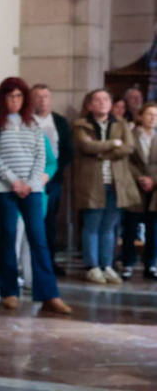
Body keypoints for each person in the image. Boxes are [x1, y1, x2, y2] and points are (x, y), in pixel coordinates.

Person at [0, 77, 71, 315]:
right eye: (11, 96)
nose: (15, 100)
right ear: (3, 98)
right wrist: (14, 181)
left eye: (19, 96)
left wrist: (30, 183)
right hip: (6, 188)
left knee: (39, 240)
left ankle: (49, 293)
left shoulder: (32, 122)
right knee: (8, 238)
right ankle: (9, 291)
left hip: (32, 189)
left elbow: (41, 155)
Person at [73, 88, 141, 285]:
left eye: (105, 99)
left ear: (111, 104)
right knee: (92, 225)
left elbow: (128, 147)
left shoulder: (120, 124)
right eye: (97, 99)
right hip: (92, 182)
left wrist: (102, 152)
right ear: (89, 105)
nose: (102, 102)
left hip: (116, 182)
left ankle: (107, 265)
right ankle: (92, 266)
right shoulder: (81, 125)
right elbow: (86, 146)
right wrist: (113, 144)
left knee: (109, 227)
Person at [29, 84, 73, 260]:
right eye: (38, 96)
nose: (42, 100)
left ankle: (50, 259)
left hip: (53, 177)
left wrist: (52, 172)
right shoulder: (26, 121)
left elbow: (67, 150)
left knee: (51, 220)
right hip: (28, 176)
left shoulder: (59, 122)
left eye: (45, 96)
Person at [124, 101, 157, 279]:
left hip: (155, 189)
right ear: (141, 116)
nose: (153, 118)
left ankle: (151, 264)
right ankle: (128, 263)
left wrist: (153, 180)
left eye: (156, 115)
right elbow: (127, 160)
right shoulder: (131, 134)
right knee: (130, 226)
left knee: (154, 229)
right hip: (134, 186)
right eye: (150, 114)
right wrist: (140, 178)